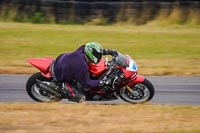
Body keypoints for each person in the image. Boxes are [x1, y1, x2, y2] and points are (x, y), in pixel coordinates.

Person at [51, 42, 118, 103]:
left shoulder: (83, 48)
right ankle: (62, 86)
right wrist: (102, 82)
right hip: (60, 73)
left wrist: (109, 51)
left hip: (62, 59)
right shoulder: (81, 65)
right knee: (81, 98)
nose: (99, 57)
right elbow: (87, 83)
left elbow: (95, 51)